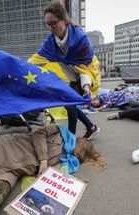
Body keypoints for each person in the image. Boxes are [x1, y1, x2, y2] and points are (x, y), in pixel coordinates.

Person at [28, 2, 101, 140]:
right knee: (68, 104)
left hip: (88, 74)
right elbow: (36, 59)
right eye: (47, 24)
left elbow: (87, 67)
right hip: (74, 77)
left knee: (70, 104)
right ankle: (91, 127)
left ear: (64, 20)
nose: (50, 28)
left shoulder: (81, 39)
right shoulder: (51, 41)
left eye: (53, 23)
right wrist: (19, 67)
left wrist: (86, 86)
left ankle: (70, 139)